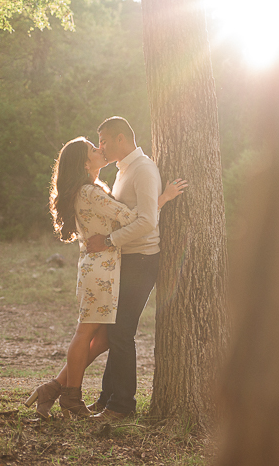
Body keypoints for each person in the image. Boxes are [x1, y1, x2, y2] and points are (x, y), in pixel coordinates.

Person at [25, 134, 185, 419]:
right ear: (85, 163)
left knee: (103, 337)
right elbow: (134, 218)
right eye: (92, 148)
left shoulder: (93, 188)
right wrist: (164, 198)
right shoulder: (90, 193)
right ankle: (71, 397)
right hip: (100, 270)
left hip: (103, 268)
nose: (99, 149)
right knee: (86, 333)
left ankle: (53, 388)